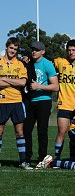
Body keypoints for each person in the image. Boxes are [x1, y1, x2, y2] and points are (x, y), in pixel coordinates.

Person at [23, 41, 59, 165]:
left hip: (43, 101)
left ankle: (42, 158)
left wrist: (39, 86)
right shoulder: (28, 63)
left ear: (43, 51)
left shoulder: (47, 64)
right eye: (32, 49)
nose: (34, 51)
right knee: (26, 130)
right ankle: (26, 158)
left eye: (37, 50)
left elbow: (55, 87)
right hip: (30, 101)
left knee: (42, 130)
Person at [0, 37, 31, 169]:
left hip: (17, 101)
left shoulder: (20, 65)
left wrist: (5, 78)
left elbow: (23, 82)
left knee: (20, 132)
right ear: (6, 47)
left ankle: (22, 161)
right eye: (11, 48)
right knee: (0, 132)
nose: (13, 51)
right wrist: (14, 82)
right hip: (2, 101)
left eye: (15, 49)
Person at [52, 39, 75, 161]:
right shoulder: (60, 62)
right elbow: (44, 62)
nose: (71, 52)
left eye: (73, 50)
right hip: (64, 104)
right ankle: (57, 158)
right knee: (61, 132)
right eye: (69, 50)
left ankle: (73, 158)